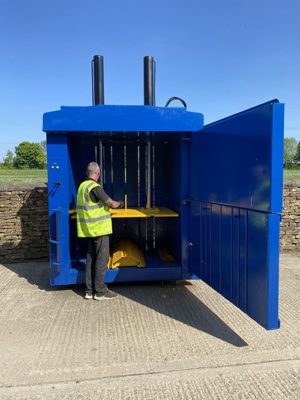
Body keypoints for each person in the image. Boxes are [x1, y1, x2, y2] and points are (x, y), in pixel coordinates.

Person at [76, 162, 123, 300]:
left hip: (88, 230)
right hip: (99, 229)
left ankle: (89, 291)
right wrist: (121, 203)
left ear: (87, 172)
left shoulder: (82, 186)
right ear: (98, 173)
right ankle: (101, 292)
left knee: (91, 259)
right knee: (102, 260)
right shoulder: (95, 187)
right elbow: (112, 204)